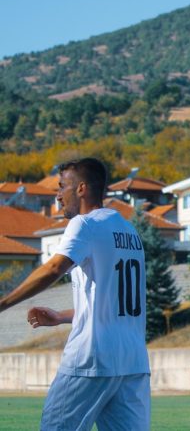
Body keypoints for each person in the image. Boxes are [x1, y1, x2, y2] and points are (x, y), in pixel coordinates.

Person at [0, 158, 150, 430]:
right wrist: (61, 316)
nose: (58, 195)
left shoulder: (84, 224)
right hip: (132, 361)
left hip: (92, 356)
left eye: (62, 187)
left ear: (81, 188)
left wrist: (4, 303)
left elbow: (54, 268)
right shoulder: (129, 231)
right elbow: (115, 302)